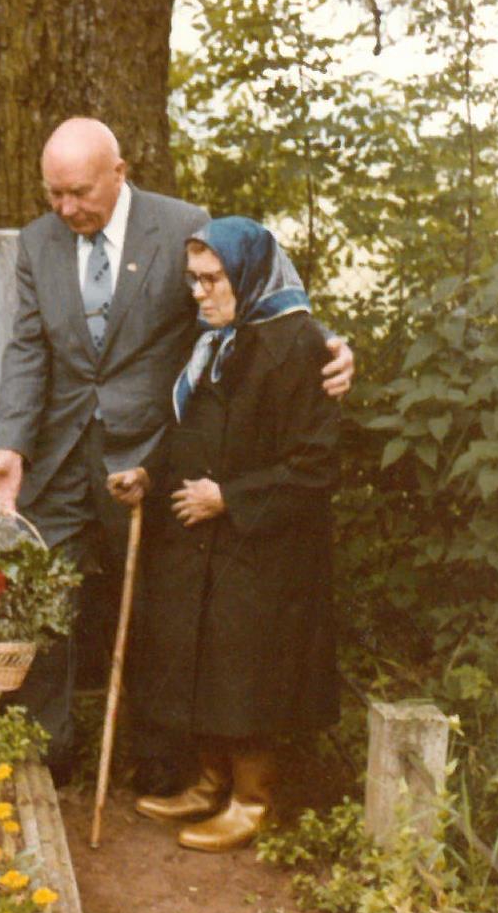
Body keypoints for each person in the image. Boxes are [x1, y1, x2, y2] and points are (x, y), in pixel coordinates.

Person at [0, 118, 352, 790]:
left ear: (119, 172)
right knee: (44, 597)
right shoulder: (38, 243)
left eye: (78, 193)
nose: (65, 210)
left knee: (156, 599)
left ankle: (160, 750)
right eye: (52, 195)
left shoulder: (181, 223)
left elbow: (249, 298)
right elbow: (28, 348)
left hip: (153, 449)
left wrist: (329, 343)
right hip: (58, 452)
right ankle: (47, 745)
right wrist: (12, 447)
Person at [106, 216, 339, 851]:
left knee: (247, 667)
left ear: (251, 275)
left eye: (213, 280)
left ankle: (252, 799)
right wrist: (151, 476)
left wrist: (228, 499)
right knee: (203, 657)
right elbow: (194, 436)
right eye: (195, 281)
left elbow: (315, 466)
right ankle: (210, 782)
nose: (201, 293)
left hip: (267, 548)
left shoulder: (300, 346)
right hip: (206, 537)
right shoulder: (216, 339)